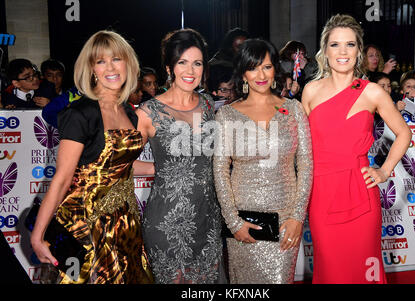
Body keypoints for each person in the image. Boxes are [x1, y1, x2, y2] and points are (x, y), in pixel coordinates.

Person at [30, 30, 153, 284]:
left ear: (128, 63)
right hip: (85, 223)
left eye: (116, 59)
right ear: (91, 69)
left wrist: (162, 169)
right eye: (101, 61)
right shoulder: (79, 114)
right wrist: (37, 234)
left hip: (125, 222)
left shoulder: (129, 113)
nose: (110, 67)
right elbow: (62, 179)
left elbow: (119, 166)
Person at [301, 14, 411, 284]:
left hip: (361, 196)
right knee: (331, 271)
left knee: (364, 273)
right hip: (322, 195)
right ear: (324, 50)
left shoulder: (372, 91)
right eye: (335, 44)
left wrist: (384, 172)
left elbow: (403, 133)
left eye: (350, 45)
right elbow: (301, 148)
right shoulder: (310, 91)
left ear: (359, 51)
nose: (342, 52)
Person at [213, 38, 313, 284]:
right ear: (243, 73)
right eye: (253, 67)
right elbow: (220, 170)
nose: (261, 74)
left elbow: (306, 164)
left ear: (275, 70)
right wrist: (233, 221)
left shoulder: (294, 109)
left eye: (267, 67)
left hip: (285, 219)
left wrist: (297, 217)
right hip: (243, 220)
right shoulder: (226, 114)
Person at [136, 28, 226, 284]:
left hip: (208, 218)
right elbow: (124, 164)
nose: (190, 71)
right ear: (169, 67)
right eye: (182, 62)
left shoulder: (208, 104)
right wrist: (165, 168)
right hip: (167, 221)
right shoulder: (148, 112)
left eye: (197, 63)